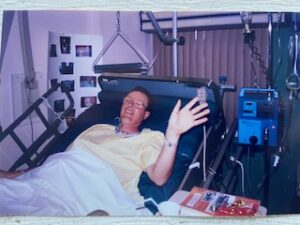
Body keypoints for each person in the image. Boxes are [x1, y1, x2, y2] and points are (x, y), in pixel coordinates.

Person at [0, 87, 210, 216]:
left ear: (145, 115)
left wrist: (172, 134)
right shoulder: (96, 128)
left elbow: (159, 178)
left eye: (138, 104)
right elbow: (55, 166)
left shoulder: (149, 138)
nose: (129, 105)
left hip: (95, 192)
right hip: (47, 184)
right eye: (127, 101)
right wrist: (11, 175)